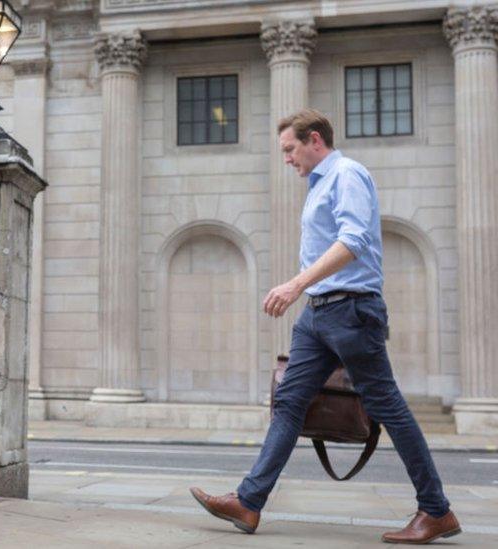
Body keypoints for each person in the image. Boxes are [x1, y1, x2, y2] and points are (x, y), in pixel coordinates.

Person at [189, 110, 460, 545]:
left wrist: (295, 284)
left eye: (290, 149)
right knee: (289, 401)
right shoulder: (318, 186)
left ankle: (436, 510)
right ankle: (249, 500)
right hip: (318, 314)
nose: (287, 159)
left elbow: (354, 242)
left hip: (353, 311)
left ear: (314, 140)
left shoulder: (347, 175)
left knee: (387, 405)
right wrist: (306, 295)